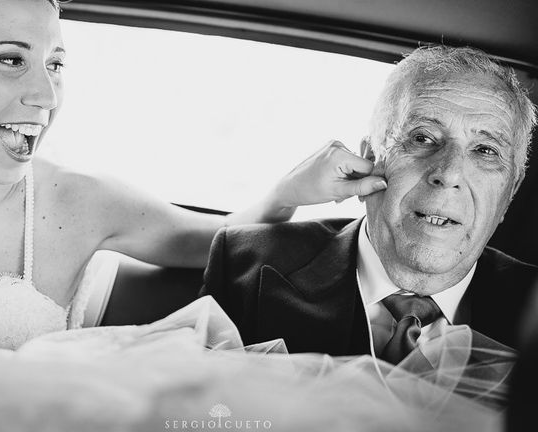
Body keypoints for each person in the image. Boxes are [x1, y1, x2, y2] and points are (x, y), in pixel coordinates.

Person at [0, 0, 387, 364]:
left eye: (55, 64)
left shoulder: (80, 202)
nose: (45, 94)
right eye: (10, 59)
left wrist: (288, 193)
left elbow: (225, 240)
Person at [201, 45, 538, 359]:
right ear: (371, 157)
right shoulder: (244, 264)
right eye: (422, 138)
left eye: (485, 150)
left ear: (510, 191)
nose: (448, 174)